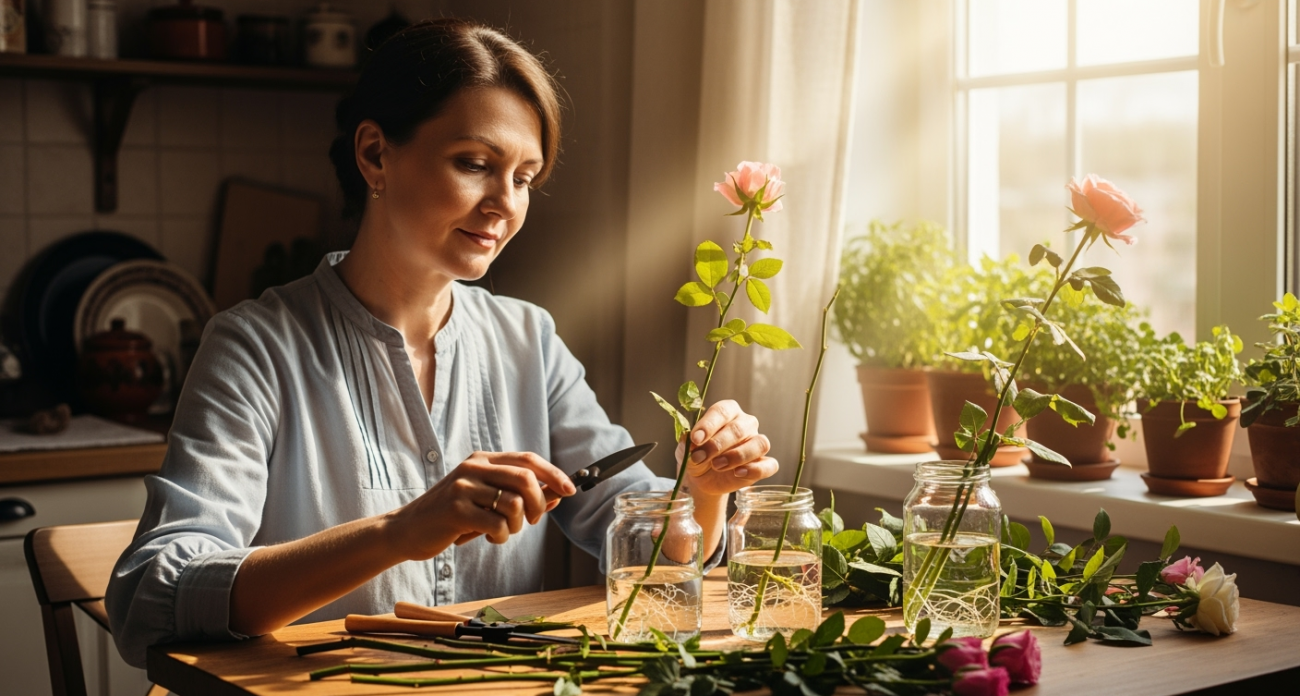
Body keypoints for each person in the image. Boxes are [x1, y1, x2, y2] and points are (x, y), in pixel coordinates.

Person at [105, 18, 778, 667]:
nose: (503, 205)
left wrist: (704, 491)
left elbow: (648, 554)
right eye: (474, 163)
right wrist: (397, 534)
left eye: (523, 178)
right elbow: (152, 594)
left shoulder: (528, 339)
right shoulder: (254, 348)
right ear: (375, 154)